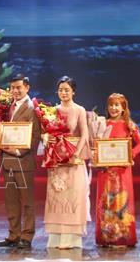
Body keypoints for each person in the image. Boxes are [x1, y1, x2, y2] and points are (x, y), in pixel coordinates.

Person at [43, 76, 90, 249]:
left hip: (73, 160)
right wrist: (46, 138)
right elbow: (46, 132)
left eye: (67, 90)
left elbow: (84, 134)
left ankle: (71, 240)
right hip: (57, 160)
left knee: (73, 196)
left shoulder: (79, 110)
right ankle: (56, 238)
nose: (63, 93)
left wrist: (75, 153)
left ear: (73, 92)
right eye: (61, 90)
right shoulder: (52, 111)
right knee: (57, 196)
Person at [0, 75, 41, 249]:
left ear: (27, 88)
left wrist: (18, 151)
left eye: (19, 87)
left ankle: (27, 236)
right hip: (7, 160)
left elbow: (35, 136)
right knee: (11, 201)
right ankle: (13, 235)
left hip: (24, 160)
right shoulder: (7, 106)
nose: (15, 90)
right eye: (12, 87)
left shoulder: (32, 108)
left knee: (27, 202)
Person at [95, 93, 140, 247]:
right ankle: (106, 237)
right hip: (105, 170)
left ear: (123, 107)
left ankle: (123, 237)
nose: (114, 108)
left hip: (122, 170)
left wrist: (130, 155)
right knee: (106, 202)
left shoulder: (129, 125)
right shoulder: (102, 124)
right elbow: (96, 145)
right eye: (111, 105)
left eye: (117, 105)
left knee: (121, 202)